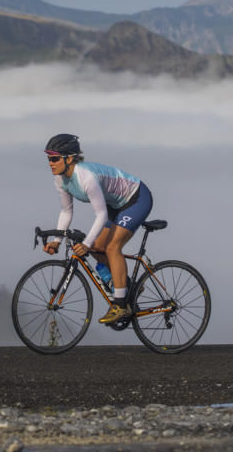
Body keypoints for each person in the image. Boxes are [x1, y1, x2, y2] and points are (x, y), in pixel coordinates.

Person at [43, 133, 153, 324]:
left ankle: (120, 305)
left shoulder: (86, 177)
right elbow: (66, 211)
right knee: (96, 248)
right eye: (48, 159)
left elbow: (101, 215)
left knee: (112, 247)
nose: (50, 163)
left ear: (69, 158)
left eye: (54, 158)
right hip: (117, 204)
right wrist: (57, 241)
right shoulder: (61, 179)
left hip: (136, 198)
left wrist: (84, 244)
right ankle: (127, 286)